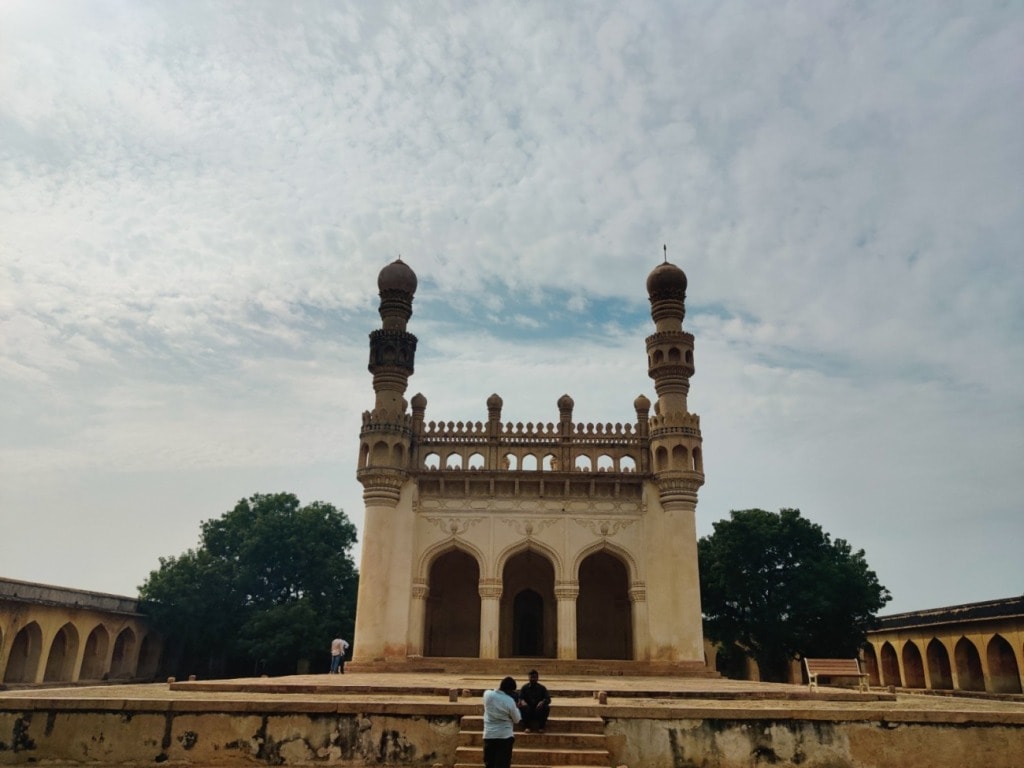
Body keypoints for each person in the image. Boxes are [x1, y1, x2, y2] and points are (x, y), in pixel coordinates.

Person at [482, 676, 521, 768]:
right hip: (505, 737)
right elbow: (517, 719)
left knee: (489, 764)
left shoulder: (487, 694)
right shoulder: (509, 701)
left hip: (489, 735)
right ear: (509, 690)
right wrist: (516, 707)